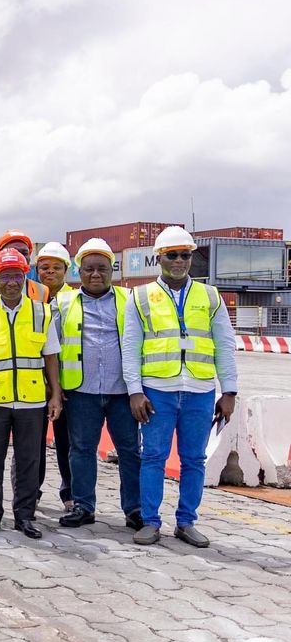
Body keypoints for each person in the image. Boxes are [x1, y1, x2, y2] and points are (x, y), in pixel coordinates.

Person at [123, 226, 238, 548]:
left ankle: (186, 522)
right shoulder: (141, 296)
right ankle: (150, 522)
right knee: (153, 457)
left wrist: (228, 391)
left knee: (193, 460)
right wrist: (135, 390)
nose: (179, 261)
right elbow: (130, 347)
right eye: (172, 255)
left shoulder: (210, 296)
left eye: (185, 255)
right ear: (159, 258)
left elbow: (225, 345)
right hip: (157, 390)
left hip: (200, 391)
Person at [0, 249, 62, 538]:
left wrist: (55, 394)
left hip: (32, 400)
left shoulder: (41, 312)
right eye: (5, 276)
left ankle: (25, 517)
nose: (11, 282)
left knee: (29, 461)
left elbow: (51, 357)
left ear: (25, 277)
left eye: (16, 276)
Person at [56, 238, 142, 530]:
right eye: (89, 269)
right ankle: (83, 505)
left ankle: (135, 509)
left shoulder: (129, 300)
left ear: (112, 270)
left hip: (122, 393)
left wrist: (139, 390)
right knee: (81, 449)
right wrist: (55, 388)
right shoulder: (63, 302)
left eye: (102, 269)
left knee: (130, 450)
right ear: (79, 271)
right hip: (81, 392)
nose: (96, 274)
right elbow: (51, 348)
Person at [35, 242, 75, 507]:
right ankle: (32, 492)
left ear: (66, 270)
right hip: (35, 382)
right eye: (44, 267)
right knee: (33, 444)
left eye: (56, 268)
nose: (50, 272)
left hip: (68, 383)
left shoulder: (76, 300)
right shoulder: (31, 298)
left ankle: (70, 494)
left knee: (67, 443)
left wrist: (58, 387)